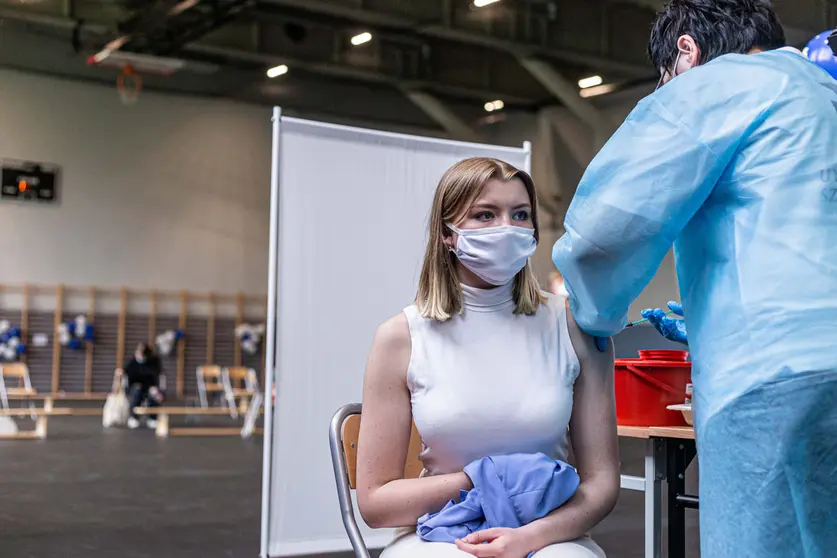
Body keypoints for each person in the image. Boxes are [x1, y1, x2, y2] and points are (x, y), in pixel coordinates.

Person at [552, 1, 837, 556]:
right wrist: (712, 322)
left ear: (685, 51)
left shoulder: (714, 82)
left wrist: (593, 316)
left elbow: (603, 236)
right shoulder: (822, 93)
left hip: (770, 379)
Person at [357, 158, 620, 558]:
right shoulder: (401, 337)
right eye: (485, 214)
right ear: (447, 234)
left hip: (551, 532)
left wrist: (530, 537)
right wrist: (486, 479)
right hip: (442, 529)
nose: (507, 227)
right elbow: (376, 504)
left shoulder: (573, 327)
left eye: (520, 214)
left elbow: (602, 483)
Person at [116, 343, 164, 429]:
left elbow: (155, 377)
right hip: (135, 386)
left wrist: (154, 388)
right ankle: (133, 417)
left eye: (141, 354)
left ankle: (153, 418)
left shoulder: (154, 362)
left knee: (154, 395)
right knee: (137, 392)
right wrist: (121, 371)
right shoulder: (132, 362)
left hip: (150, 386)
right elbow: (126, 370)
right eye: (138, 353)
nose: (139, 356)